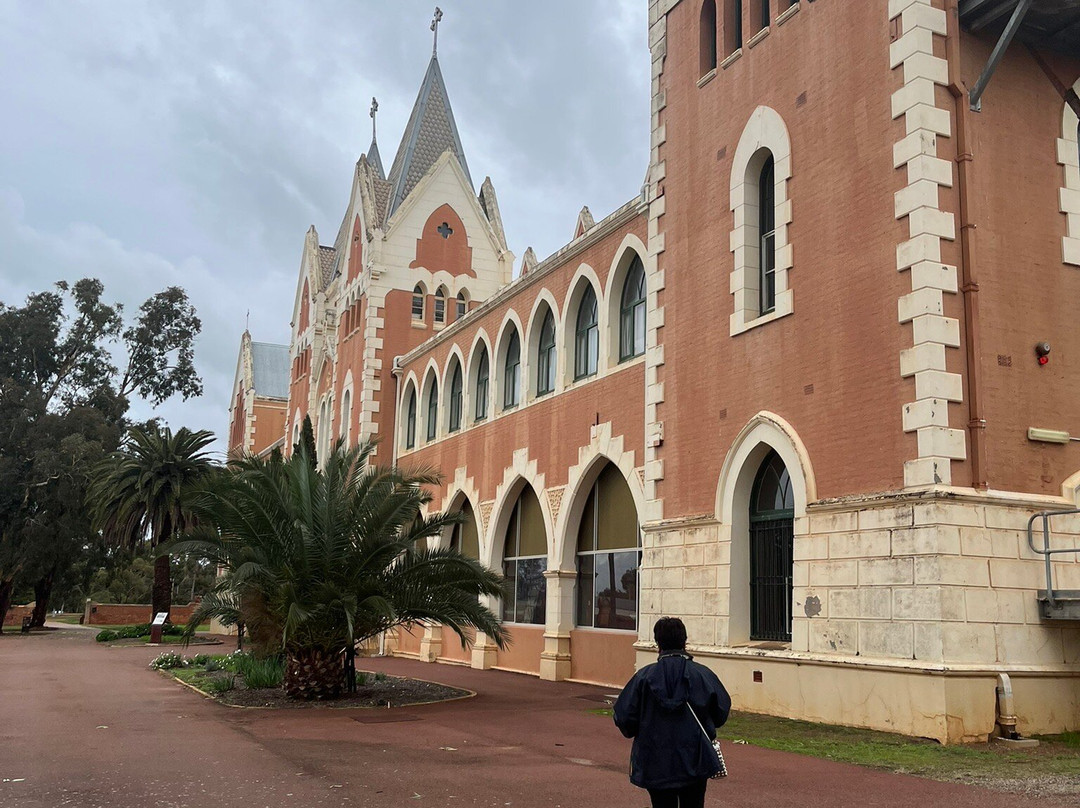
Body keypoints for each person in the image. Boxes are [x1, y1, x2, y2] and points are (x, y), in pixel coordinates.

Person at [613, 617, 731, 808]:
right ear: (685, 641)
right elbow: (721, 712)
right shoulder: (703, 675)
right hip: (695, 757)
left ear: (657, 643)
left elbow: (624, 717)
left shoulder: (643, 677)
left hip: (655, 759)